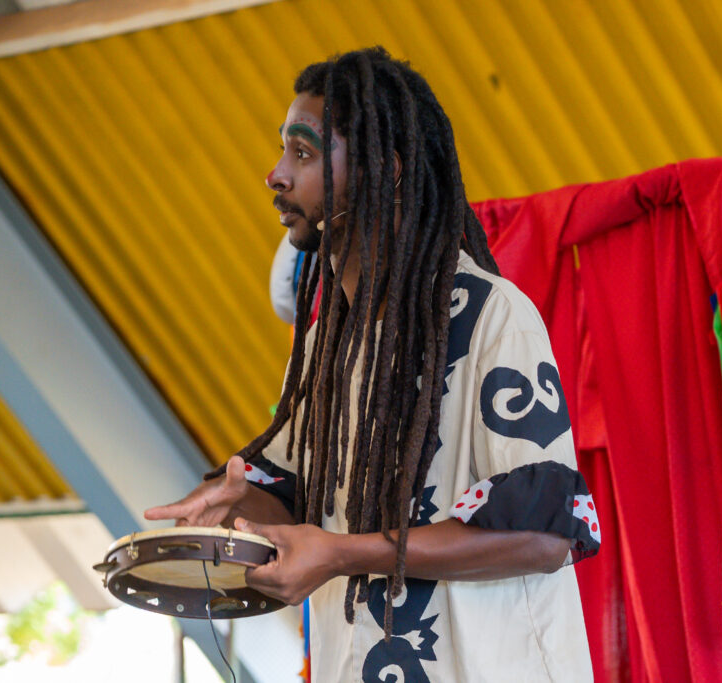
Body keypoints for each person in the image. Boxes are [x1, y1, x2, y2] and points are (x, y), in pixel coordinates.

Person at [146, 46, 600, 682]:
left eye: (302, 153)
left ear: (382, 171)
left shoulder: (494, 318)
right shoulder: (326, 344)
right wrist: (238, 503)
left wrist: (341, 553)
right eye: (284, 152)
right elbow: (307, 504)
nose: (276, 175)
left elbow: (545, 536)